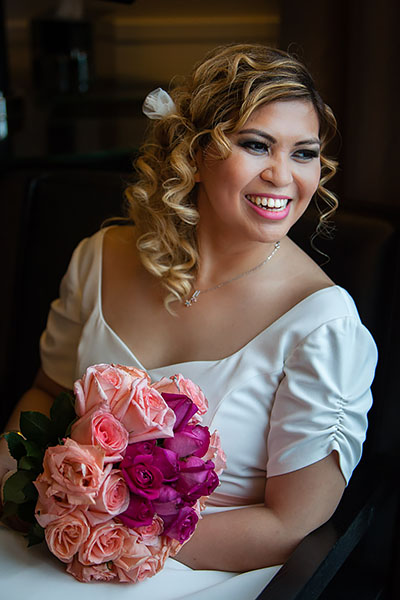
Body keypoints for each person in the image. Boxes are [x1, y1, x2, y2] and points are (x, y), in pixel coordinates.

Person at [0, 43, 377, 599]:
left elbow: (291, 525)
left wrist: (124, 537)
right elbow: (44, 390)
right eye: (256, 145)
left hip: (203, 573)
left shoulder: (324, 326)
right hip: (55, 537)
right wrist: (21, 495)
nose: (283, 175)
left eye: (304, 153)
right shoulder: (100, 256)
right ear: (195, 154)